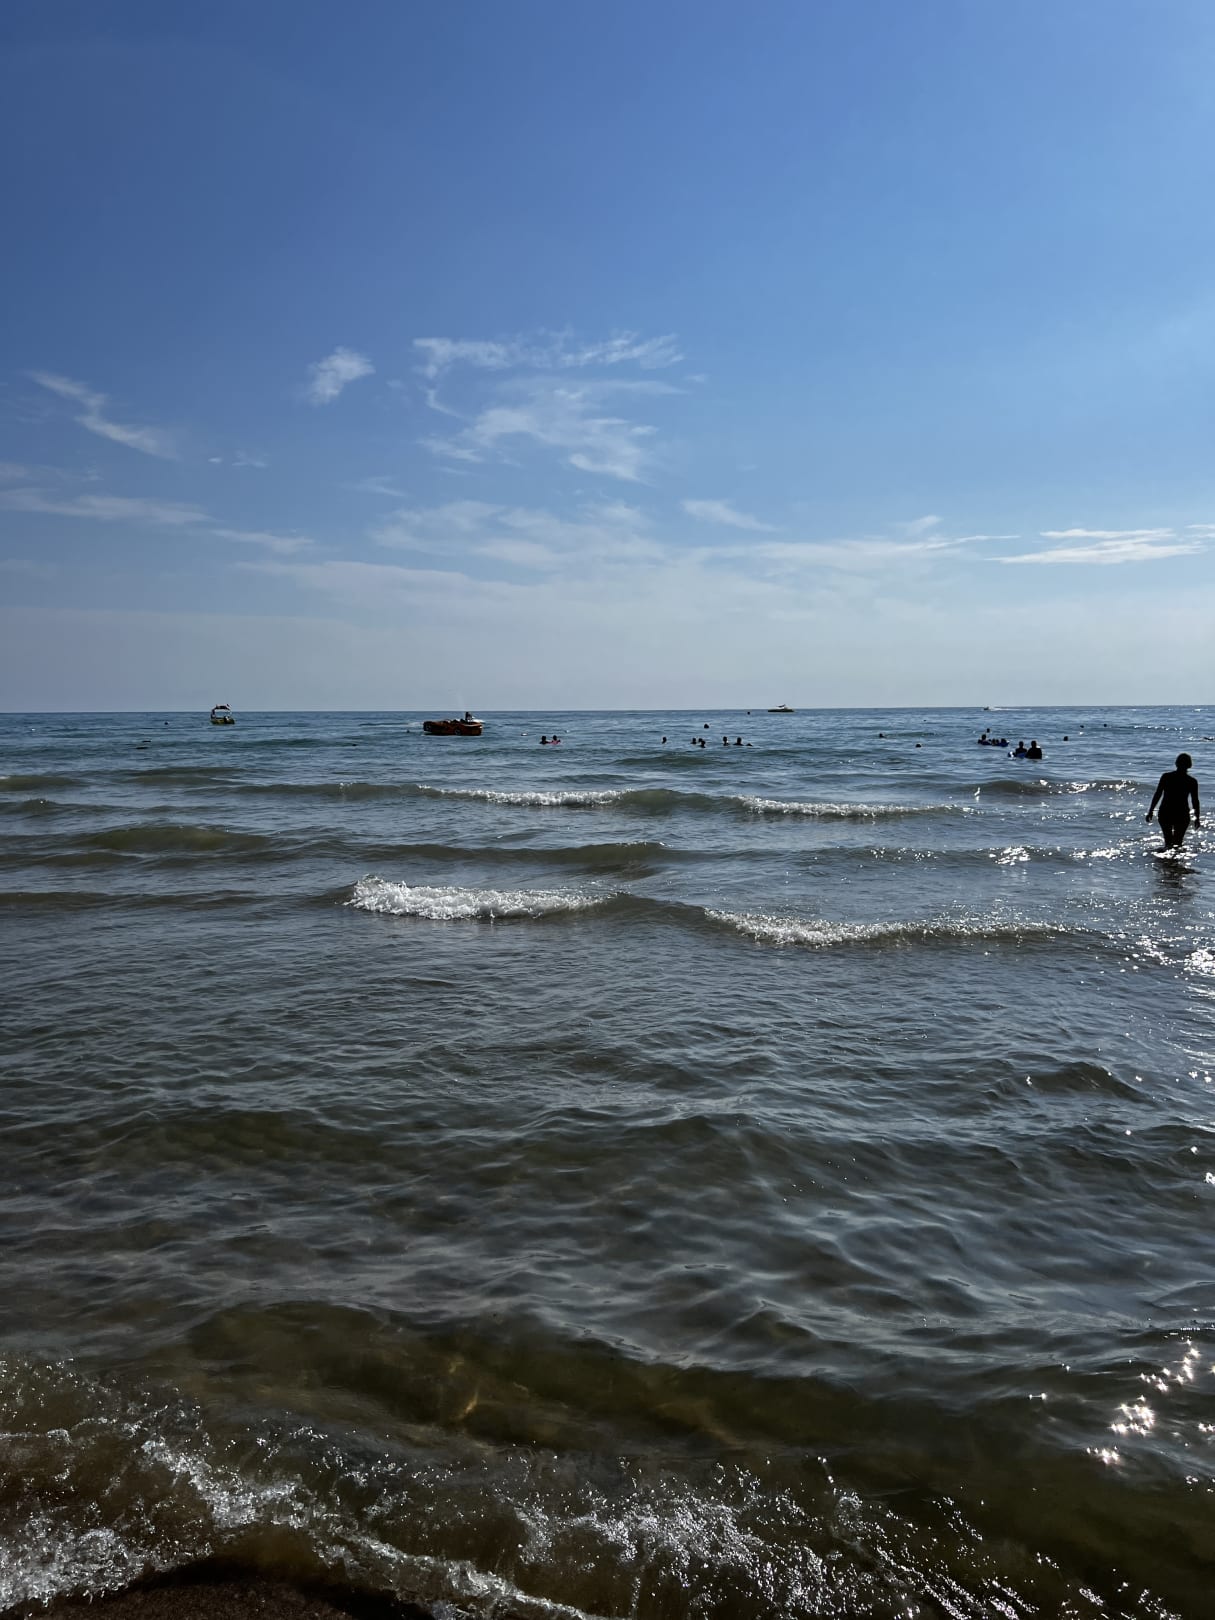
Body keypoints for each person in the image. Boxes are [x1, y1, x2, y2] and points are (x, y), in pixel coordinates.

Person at [1146, 754, 1200, 849]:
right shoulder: (1191, 781)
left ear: (1176, 763)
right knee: (1178, 843)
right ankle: (1176, 858)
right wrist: (1197, 818)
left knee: (1168, 842)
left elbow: (1158, 794)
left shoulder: (1166, 777)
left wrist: (1151, 811)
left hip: (1165, 812)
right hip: (1182, 813)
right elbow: (1195, 801)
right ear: (1190, 765)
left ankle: (1166, 857)